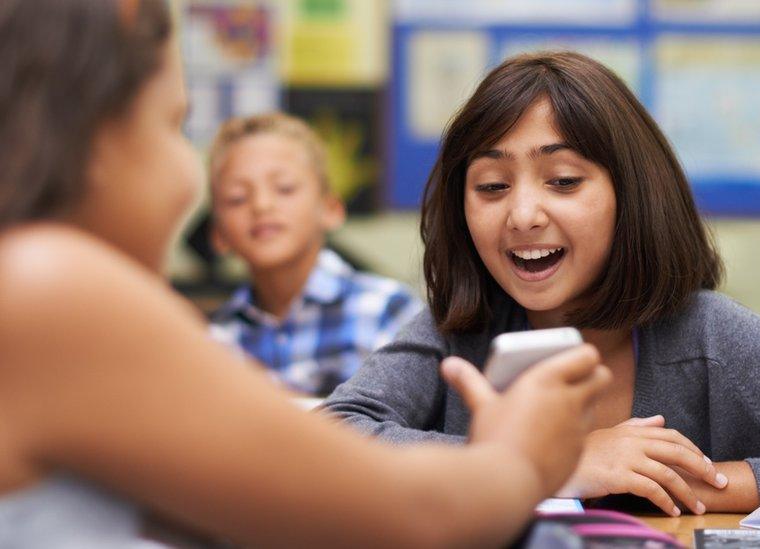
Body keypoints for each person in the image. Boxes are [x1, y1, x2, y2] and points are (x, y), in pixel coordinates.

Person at [0, 1, 611, 547]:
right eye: (171, 126)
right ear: (87, 129)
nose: (188, 175)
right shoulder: (42, 284)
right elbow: (411, 513)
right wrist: (524, 455)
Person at [325, 51, 760, 517]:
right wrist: (557, 462)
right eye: (492, 186)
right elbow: (336, 435)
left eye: (563, 180)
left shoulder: (717, 339)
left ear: (630, 196)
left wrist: (703, 482)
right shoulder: (455, 332)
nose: (522, 213)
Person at [207, 112, 424, 397]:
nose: (261, 205)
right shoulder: (213, 342)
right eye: (237, 198)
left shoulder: (387, 311)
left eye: (284, 188)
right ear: (218, 235)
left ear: (331, 210)